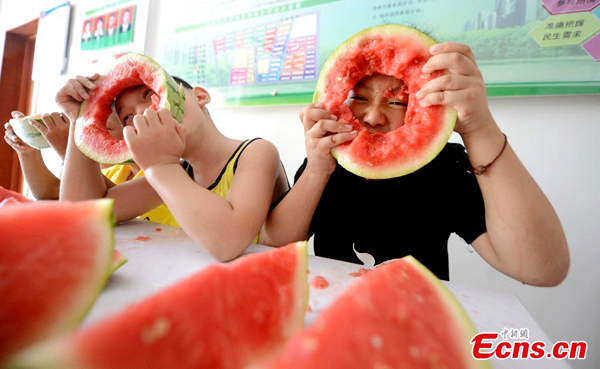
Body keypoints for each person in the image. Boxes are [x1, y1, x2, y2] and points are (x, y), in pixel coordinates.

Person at [260, 42, 569, 286]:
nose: (373, 117)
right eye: (359, 97)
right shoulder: (324, 165)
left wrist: (479, 128)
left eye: (397, 101)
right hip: (333, 316)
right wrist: (316, 171)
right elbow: (272, 247)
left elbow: (542, 269)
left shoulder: (446, 167)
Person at [59, 74, 290, 262]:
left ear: (199, 96)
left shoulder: (256, 152)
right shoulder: (176, 171)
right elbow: (84, 212)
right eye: (128, 117)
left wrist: (160, 165)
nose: (143, 114)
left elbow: (227, 242)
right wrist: (81, 119)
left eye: (151, 95)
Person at [3, 112, 127, 200]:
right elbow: (52, 191)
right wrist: (28, 152)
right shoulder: (115, 172)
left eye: (104, 130)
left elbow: (116, 205)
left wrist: (68, 151)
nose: (88, 137)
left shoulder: (145, 177)